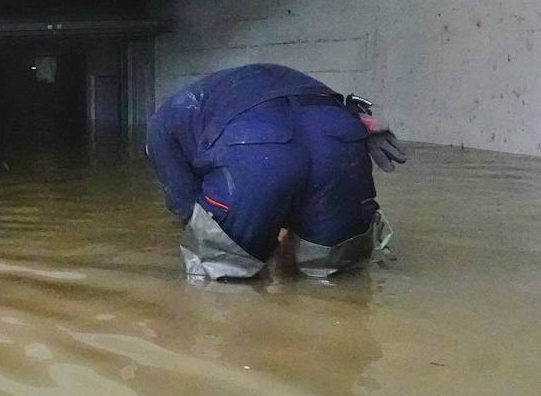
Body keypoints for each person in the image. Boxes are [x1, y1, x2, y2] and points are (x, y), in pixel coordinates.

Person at [146, 63, 405, 280]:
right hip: (339, 135)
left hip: (252, 145)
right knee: (339, 279)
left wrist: (256, 223)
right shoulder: (269, 80)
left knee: (221, 278)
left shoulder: (162, 122)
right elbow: (313, 128)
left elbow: (185, 206)